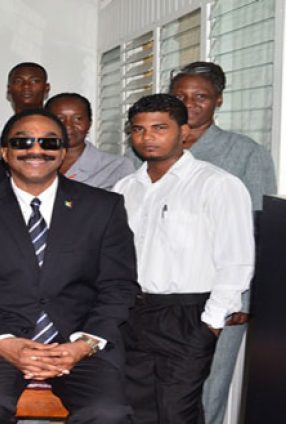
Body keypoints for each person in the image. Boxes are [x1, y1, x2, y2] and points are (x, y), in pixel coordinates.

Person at [0, 109, 137, 424]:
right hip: (2, 342)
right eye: (23, 141)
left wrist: (82, 345)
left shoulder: (104, 207)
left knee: (108, 413)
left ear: (63, 153)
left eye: (48, 142)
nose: (36, 150)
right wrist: (4, 343)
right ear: (4, 152)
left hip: (79, 342)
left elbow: (118, 287)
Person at [113, 94, 254, 423]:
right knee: (136, 410)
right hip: (132, 314)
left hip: (187, 316)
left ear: (185, 132)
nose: (147, 137)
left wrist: (211, 323)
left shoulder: (217, 184)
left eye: (159, 128)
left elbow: (236, 260)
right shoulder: (124, 187)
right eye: (138, 129)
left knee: (178, 412)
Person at [166, 61, 277, 424]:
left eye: (201, 96)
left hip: (220, 294)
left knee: (208, 389)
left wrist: (243, 298)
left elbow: (260, 231)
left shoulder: (245, 152)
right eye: (181, 96)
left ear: (219, 101)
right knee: (159, 387)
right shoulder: (149, 145)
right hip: (158, 293)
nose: (190, 103)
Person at [44, 93, 134, 189]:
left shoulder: (117, 166)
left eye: (77, 119)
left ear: (89, 123)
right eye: (60, 119)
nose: (68, 126)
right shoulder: (31, 162)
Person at [0, 62, 51, 158]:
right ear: (9, 89)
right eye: (18, 81)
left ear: (46, 88)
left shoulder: (62, 130)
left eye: (34, 81)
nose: (26, 86)